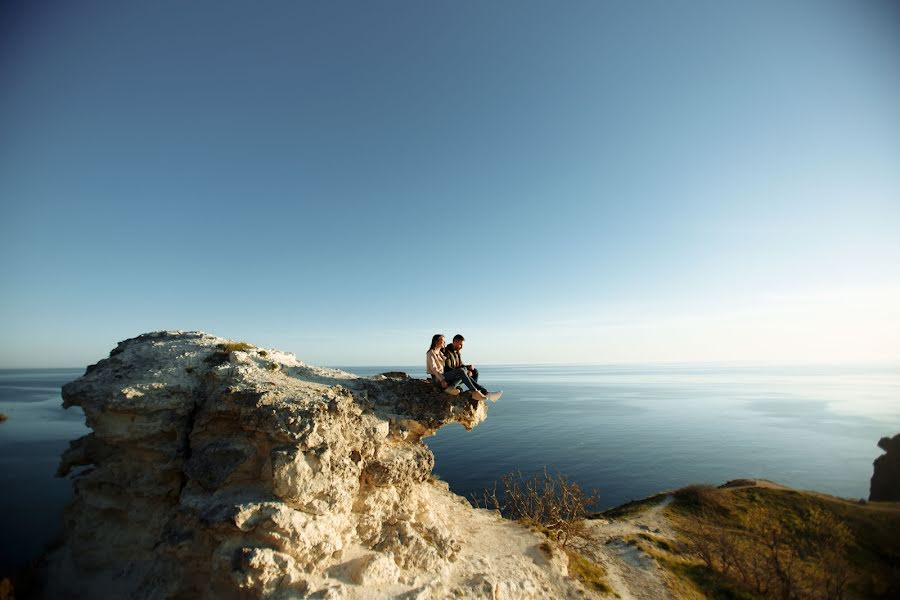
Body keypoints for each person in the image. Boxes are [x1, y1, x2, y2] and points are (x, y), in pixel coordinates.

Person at [426, 334, 486, 400]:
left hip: (444, 376)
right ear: (436, 342)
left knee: (464, 372)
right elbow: (434, 369)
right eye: (443, 341)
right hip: (437, 379)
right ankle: (475, 392)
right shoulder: (431, 353)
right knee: (461, 371)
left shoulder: (440, 353)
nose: (445, 343)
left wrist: (466, 369)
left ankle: (451, 388)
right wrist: (442, 380)